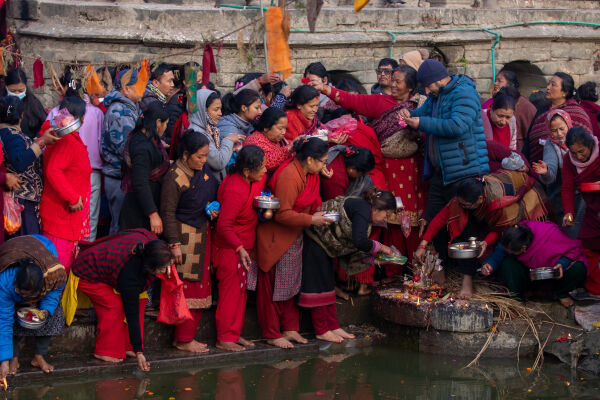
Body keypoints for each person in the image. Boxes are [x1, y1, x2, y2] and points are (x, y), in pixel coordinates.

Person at [315, 66, 426, 270]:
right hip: (389, 169)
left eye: (397, 81)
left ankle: (415, 269)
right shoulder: (380, 101)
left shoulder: (421, 105)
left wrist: (417, 132)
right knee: (388, 217)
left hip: (413, 169)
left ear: (410, 87)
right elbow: (352, 100)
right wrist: (325, 89)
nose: (392, 84)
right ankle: (391, 270)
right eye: (391, 80)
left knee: (415, 219)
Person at [400, 59, 489, 260]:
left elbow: (457, 126)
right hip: (442, 171)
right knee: (435, 223)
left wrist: (421, 123)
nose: (427, 90)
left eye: (428, 85)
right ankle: (444, 272)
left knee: (465, 227)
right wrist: (409, 116)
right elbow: (421, 114)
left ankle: (467, 279)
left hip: (464, 170)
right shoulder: (436, 95)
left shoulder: (464, 93)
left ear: (438, 79)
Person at [416, 171, 549, 298]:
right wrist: (422, 245)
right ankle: (449, 273)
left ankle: (468, 280)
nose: (462, 206)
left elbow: (498, 229)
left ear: (480, 199)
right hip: (484, 209)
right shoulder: (464, 199)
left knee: (471, 235)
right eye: (460, 203)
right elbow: (440, 219)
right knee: (457, 224)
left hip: (520, 200)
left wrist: (485, 242)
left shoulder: (499, 202)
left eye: (466, 205)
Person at [255, 137, 332, 349]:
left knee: (290, 285)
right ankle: (271, 333)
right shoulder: (289, 175)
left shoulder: (311, 174)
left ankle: (290, 328)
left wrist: (319, 213)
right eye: (323, 161)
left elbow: (313, 200)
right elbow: (281, 215)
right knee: (270, 289)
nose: (325, 166)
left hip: (294, 236)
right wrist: (311, 220)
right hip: (275, 238)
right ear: (309, 159)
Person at [303, 187, 397, 342]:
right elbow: (359, 241)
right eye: (386, 214)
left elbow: (354, 250)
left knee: (328, 285)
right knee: (319, 287)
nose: (384, 219)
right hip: (316, 240)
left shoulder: (365, 214)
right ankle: (321, 330)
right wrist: (382, 247)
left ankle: (333, 326)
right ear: (378, 208)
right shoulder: (363, 209)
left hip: (327, 246)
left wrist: (376, 261)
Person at [71, 230, 170, 371]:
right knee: (115, 304)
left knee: (141, 299)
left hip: (109, 269)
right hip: (87, 272)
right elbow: (132, 316)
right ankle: (105, 350)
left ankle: (128, 346)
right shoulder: (130, 275)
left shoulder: (151, 245)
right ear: (151, 267)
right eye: (164, 268)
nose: (167, 270)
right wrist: (140, 353)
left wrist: (136, 349)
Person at [160, 130, 218, 353]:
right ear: (185, 155)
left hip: (203, 234)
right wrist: (174, 244)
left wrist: (213, 209)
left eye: (206, 156)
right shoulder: (174, 177)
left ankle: (188, 336)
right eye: (200, 157)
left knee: (200, 289)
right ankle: (183, 339)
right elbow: (167, 213)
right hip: (184, 239)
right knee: (188, 291)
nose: (204, 162)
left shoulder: (201, 172)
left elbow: (210, 194)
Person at [213, 145, 267, 351]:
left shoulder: (251, 180)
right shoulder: (235, 188)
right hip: (230, 249)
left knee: (240, 293)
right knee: (231, 294)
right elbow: (223, 226)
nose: (264, 170)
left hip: (243, 247)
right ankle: (225, 338)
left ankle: (233, 334)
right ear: (246, 171)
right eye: (261, 167)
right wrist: (239, 248)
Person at [46, 68, 105, 241]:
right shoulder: (96, 112)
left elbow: (46, 142)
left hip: (69, 174)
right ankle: (84, 254)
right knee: (89, 221)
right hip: (88, 172)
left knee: (66, 219)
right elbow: (102, 144)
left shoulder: (56, 112)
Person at [0, 235, 67, 378]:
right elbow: (3, 321)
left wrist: (45, 310)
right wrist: (3, 361)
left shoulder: (54, 274)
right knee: (12, 315)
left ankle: (39, 356)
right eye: (20, 292)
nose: (24, 296)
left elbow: (54, 292)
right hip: (16, 250)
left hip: (43, 250)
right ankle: (14, 357)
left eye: (27, 294)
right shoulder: (5, 281)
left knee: (53, 313)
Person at [481, 222, 588, 306]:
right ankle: (517, 299)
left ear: (523, 249)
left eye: (512, 252)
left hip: (554, 275)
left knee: (579, 268)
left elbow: (574, 250)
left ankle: (561, 293)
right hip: (529, 276)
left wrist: (562, 263)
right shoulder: (515, 232)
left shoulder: (549, 234)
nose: (509, 252)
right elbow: (501, 251)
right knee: (508, 263)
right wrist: (490, 264)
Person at [40, 97, 92, 273]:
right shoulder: (67, 140)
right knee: (57, 272)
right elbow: (53, 171)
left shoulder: (60, 136)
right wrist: (72, 197)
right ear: (82, 118)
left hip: (62, 218)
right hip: (62, 218)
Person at [0, 97, 58, 237]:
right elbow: (20, 161)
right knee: (25, 246)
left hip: (23, 200)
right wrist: (41, 142)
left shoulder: (10, 134)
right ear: (21, 115)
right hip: (21, 203)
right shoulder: (11, 135)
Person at [532, 110, 585, 238]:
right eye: (554, 130)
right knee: (570, 231)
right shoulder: (551, 145)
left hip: (582, 193)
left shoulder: (579, 138)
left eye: (562, 128)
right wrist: (546, 172)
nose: (559, 134)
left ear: (568, 124)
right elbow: (551, 171)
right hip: (561, 195)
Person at [101, 68, 142, 234]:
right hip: (119, 176)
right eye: (138, 86)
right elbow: (125, 148)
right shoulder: (121, 111)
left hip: (121, 176)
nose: (142, 90)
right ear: (126, 89)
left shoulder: (129, 108)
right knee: (120, 227)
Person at [120, 102, 170, 233]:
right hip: (139, 210)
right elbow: (140, 182)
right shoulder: (142, 146)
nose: (166, 128)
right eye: (166, 124)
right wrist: (152, 214)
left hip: (145, 203)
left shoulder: (146, 139)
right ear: (158, 122)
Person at [561, 127, 600, 296]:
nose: (578, 156)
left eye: (581, 151)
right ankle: (596, 287)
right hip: (592, 206)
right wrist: (568, 212)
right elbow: (567, 187)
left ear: (590, 145)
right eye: (573, 152)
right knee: (588, 245)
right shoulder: (568, 160)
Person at [527, 72, 593, 162]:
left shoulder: (578, 114)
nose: (548, 87)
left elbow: (585, 144)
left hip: (570, 166)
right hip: (539, 167)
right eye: (548, 83)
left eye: (553, 85)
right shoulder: (542, 111)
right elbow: (530, 140)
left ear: (564, 92)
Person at [188, 89, 244, 181]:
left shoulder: (210, 129)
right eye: (216, 109)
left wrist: (232, 148)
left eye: (220, 109)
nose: (220, 113)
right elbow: (218, 162)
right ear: (203, 110)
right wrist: (228, 140)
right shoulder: (198, 133)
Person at [481, 70, 537, 152]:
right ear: (492, 109)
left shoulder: (517, 116)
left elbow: (512, 148)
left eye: (499, 81)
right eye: (500, 116)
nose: (503, 122)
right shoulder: (482, 117)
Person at [0, 68, 46, 140]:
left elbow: (43, 125)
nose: (17, 93)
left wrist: (37, 138)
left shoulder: (34, 104)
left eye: (20, 90)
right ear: (6, 87)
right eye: (13, 90)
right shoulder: (2, 103)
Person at [243, 107, 291, 174]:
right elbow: (265, 163)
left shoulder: (275, 139)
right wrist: (288, 149)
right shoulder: (255, 140)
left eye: (285, 128)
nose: (283, 132)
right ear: (266, 127)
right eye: (280, 129)